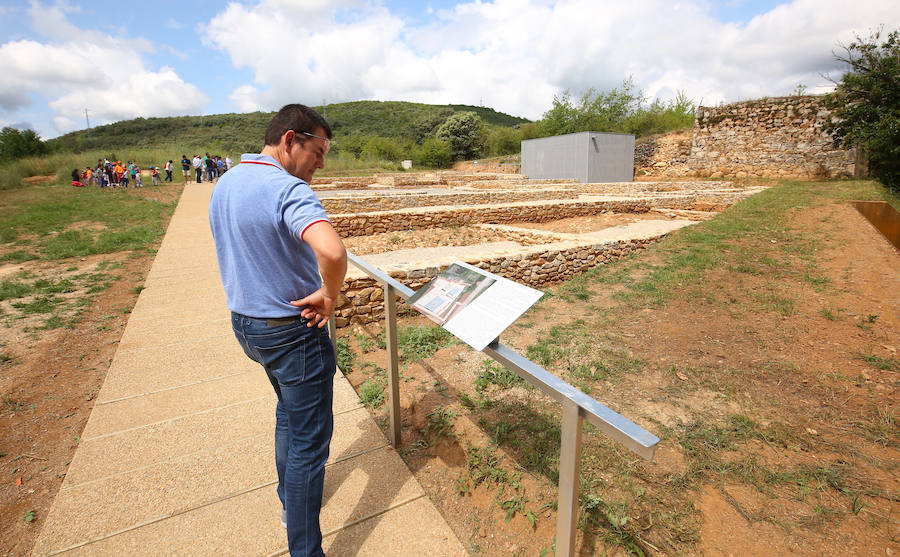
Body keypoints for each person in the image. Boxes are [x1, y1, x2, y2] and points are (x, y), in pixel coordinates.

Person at [208, 104, 344, 557]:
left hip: (247, 326)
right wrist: (330, 294)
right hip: (291, 332)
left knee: (288, 412)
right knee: (310, 444)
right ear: (290, 140)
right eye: (319, 151)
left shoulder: (225, 183)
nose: (321, 163)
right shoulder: (286, 188)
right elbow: (332, 250)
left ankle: (290, 501)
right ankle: (306, 550)